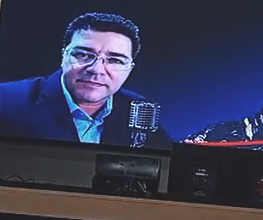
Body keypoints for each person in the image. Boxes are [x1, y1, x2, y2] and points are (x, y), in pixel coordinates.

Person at [0, 12, 171, 149]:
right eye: (83, 55)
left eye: (115, 60)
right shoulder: (6, 99)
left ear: (130, 68)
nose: (96, 69)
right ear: (63, 56)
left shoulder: (137, 109)